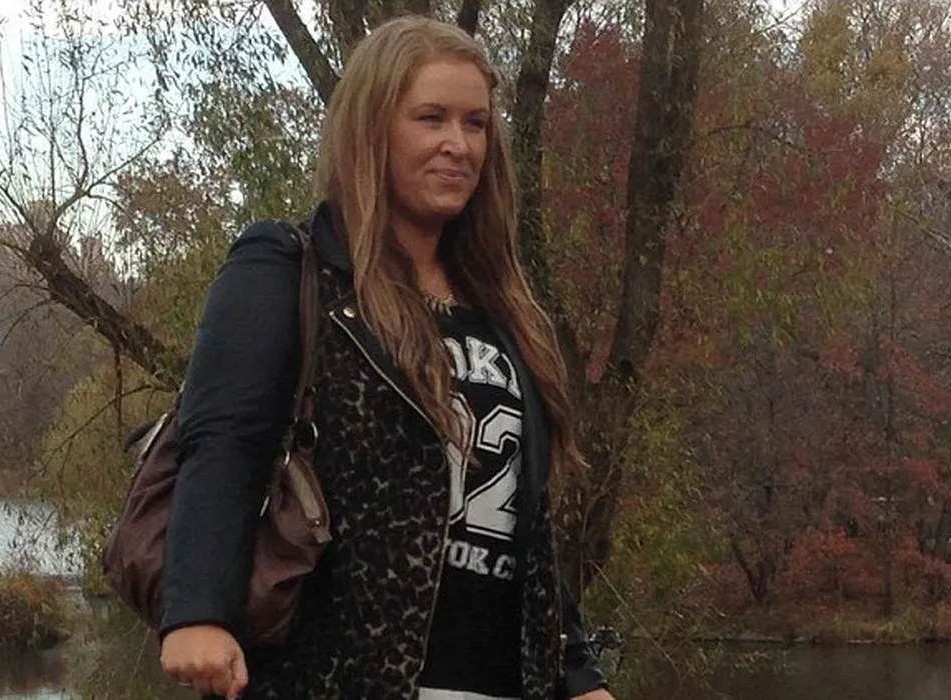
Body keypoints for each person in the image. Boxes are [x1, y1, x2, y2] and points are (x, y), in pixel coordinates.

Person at [158, 14, 617, 700]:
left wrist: (576, 672)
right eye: (431, 118)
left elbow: (522, 519)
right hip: (329, 677)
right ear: (372, 128)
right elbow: (224, 441)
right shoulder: (291, 270)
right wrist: (197, 610)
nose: (458, 144)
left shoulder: (502, 309)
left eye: (476, 124)